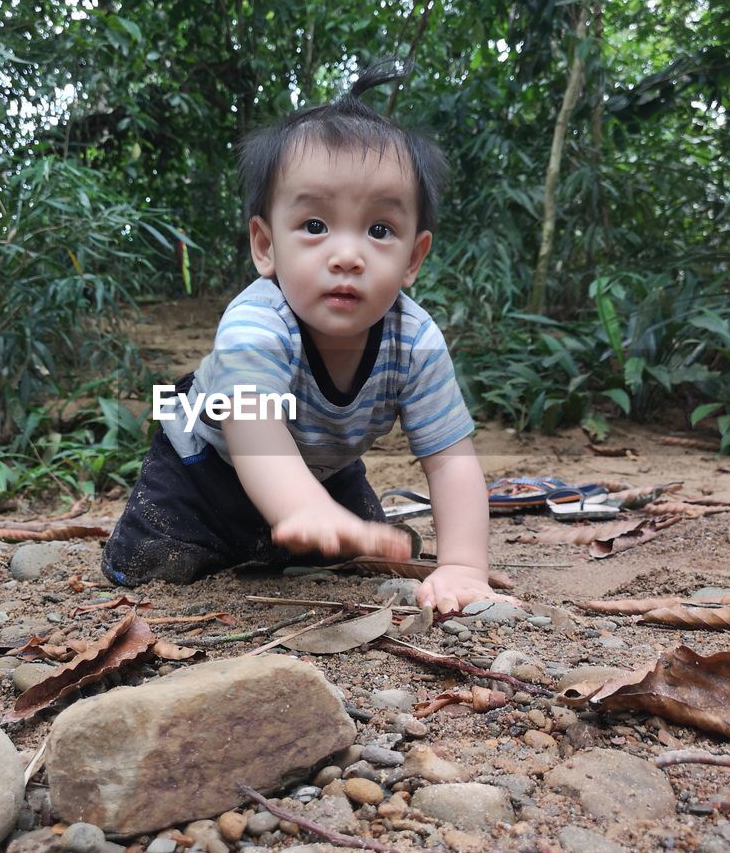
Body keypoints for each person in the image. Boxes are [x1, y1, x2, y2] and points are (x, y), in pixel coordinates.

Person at [101, 60, 514, 613]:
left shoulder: (415, 341)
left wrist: (464, 565)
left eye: (380, 230)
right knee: (156, 560)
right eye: (315, 226)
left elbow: (450, 459)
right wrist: (302, 508)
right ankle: (247, 534)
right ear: (266, 247)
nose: (347, 256)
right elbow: (253, 427)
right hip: (204, 461)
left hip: (324, 469)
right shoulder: (256, 321)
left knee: (355, 538)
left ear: (415, 257)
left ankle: (282, 535)